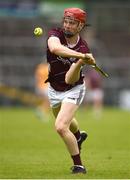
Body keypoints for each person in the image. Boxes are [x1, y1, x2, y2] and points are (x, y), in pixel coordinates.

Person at [46, 7, 96, 174]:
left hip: (73, 89)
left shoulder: (83, 47)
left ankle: (79, 165)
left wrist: (80, 62)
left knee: (61, 126)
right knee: (62, 117)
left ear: (80, 26)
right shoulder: (55, 34)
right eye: (65, 21)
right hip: (53, 87)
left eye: (72, 23)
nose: (67, 25)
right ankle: (79, 136)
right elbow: (54, 48)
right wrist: (81, 57)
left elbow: (69, 79)